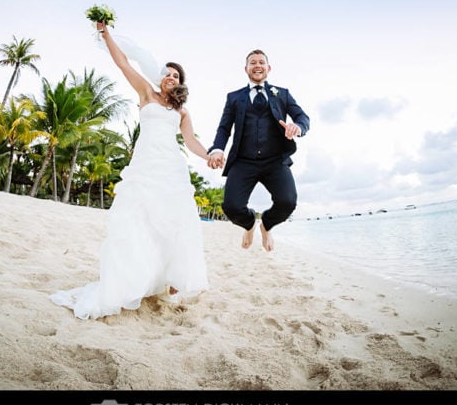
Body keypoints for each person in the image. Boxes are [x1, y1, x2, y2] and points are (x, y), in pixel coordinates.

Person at [50, 21, 210, 319]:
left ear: (180, 83)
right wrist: (106, 34)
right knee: (137, 221)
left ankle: (171, 284)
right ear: (159, 77)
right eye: (167, 73)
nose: (170, 78)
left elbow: (191, 142)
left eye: (176, 76)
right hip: (144, 166)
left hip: (172, 169)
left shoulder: (181, 111)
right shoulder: (146, 93)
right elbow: (122, 62)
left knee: (174, 223)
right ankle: (132, 279)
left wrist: (210, 155)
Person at [207, 49, 310, 252]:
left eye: (261, 62)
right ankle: (249, 224)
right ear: (246, 69)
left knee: (288, 202)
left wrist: (297, 127)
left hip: (275, 161)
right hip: (243, 161)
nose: (257, 65)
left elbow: (303, 118)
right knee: (231, 207)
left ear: (268, 68)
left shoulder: (282, 94)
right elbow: (224, 128)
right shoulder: (234, 98)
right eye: (252, 62)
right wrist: (217, 149)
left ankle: (267, 225)